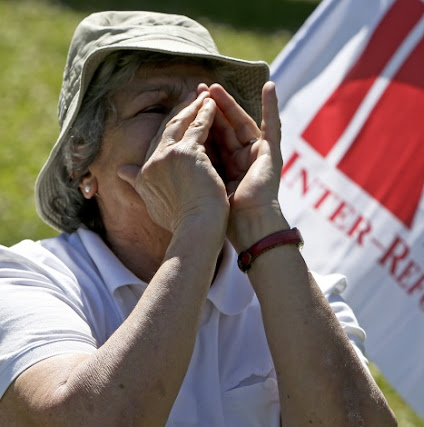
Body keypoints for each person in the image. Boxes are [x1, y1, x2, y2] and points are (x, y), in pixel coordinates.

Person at [0, 11, 396, 426]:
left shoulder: (300, 291)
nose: (194, 125)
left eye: (208, 105)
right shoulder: (27, 280)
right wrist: (196, 225)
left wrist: (259, 219)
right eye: (155, 107)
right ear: (82, 165)